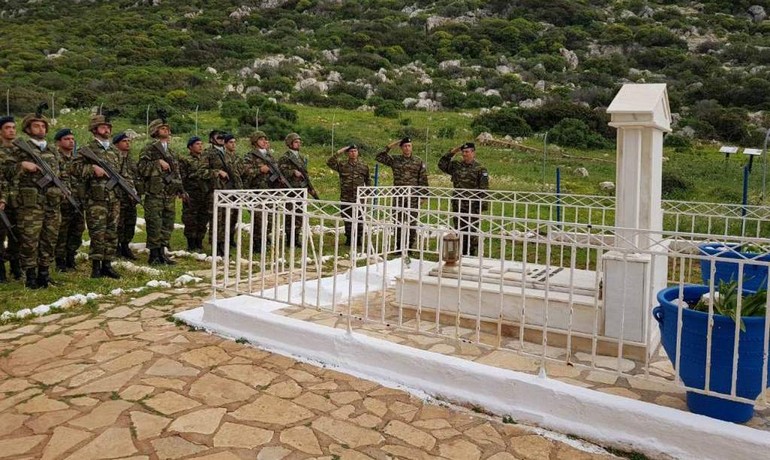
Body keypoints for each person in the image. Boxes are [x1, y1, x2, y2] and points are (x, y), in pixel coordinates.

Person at [4, 108, 62, 288]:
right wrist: (22, 165)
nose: (41, 129)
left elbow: (61, 173)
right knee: (29, 241)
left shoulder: (52, 149)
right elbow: (6, 172)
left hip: (52, 203)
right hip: (30, 204)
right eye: (36, 126)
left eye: (43, 126)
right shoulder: (18, 148)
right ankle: (30, 277)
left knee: (49, 239)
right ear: (28, 129)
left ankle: (44, 274)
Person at [73, 115, 127, 279]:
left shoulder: (115, 152)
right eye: (103, 127)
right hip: (96, 199)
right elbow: (74, 168)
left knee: (112, 232)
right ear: (94, 129)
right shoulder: (87, 149)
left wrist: (129, 189)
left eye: (108, 127)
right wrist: (92, 169)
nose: (107, 129)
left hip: (114, 198)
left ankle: (107, 264)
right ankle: (96, 266)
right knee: (97, 233)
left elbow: (123, 174)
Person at [137, 118, 184, 265]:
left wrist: (180, 188)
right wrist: (157, 163)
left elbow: (176, 172)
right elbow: (142, 168)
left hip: (169, 193)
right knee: (154, 223)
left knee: (167, 223)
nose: (166, 130)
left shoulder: (171, 151)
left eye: (167, 128)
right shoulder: (149, 149)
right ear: (155, 131)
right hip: (155, 193)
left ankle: (162, 252)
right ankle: (154, 254)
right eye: (162, 128)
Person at [375, 137, 428, 251]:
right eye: (404, 146)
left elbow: (423, 178)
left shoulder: (418, 161)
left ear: (412, 147)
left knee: (412, 221)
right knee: (398, 221)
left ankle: (410, 247)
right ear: (401, 148)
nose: (407, 148)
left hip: (413, 196)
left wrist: (424, 195)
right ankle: (399, 246)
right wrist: (391, 145)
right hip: (399, 196)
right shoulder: (395, 160)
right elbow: (379, 156)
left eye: (409, 146)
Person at [438, 142, 489, 256]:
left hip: (472, 206)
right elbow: (441, 164)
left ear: (473, 153)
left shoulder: (480, 168)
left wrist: (482, 206)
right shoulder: (456, 165)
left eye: (467, 152)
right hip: (458, 204)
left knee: (471, 231)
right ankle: (461, 253)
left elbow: (484, 189)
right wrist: (453, 152)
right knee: (459, 229)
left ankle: (471, 254)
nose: (464, 154)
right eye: (463, 152)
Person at [241, 130, 283, 252]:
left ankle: (265, 238)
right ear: (255, 142)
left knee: (271, 218)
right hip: (256, 192)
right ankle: (257, 243)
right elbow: (245, 171)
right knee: (259, 219)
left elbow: (276, 168)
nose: (264, 141)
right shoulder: (250, 156)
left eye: (265, 139)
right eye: (261, 139)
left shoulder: (269, 155)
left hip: (270, 191)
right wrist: (259, 170)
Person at [204, 132, 243, 254]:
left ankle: (223, 244)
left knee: (227, 219)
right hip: (216, 190)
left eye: (222, 137)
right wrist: (217, 172)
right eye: (218, 137)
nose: (221, 139)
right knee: (217, 219)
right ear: (212, 139)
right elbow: (201, 172)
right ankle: (216, 246)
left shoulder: (227, 154)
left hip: (229, 190)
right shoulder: (208, 153)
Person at [53, 128, 85, 272]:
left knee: (77, 230)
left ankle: (71, 257)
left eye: (72, 139)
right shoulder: (55, 159)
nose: (71, 142)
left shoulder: (77, 159)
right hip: (62, 203)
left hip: (78, 202)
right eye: (67, 139)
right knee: (62, 232)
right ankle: (60, 261)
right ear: (58, 142)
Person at [278, 132, 318, 247]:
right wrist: (292, 172)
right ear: (290, 143)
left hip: (301, 189)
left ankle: (296, 238)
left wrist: (310, 188)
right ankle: (289, 239)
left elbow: (305, 175)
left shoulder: (301, 157)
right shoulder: (285, 157)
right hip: (290, 189)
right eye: (296, 142)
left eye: (299, 142)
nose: (298, 144)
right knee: (290, 215)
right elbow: (280, 171)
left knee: (299, 215)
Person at [327, 144, 370, 247]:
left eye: (355, 151)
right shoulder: (342, 165)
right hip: (346, 197)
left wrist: (368, 193)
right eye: (351, 151)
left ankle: (358, 238)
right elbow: (329, 162)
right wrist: (339, 152)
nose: (353, 153)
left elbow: (368, 180)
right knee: (347, 218)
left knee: (360, 218)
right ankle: (349, 238)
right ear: (347, 153)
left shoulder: (363, 165)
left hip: (359, 197)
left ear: (358, 152)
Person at [179, 136, 212, 252]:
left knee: (203, 218)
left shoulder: (206, 159)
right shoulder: (185, 160)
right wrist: (182, 192)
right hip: (191, 193)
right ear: (190, 147)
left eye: (201, 144)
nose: (200, 146)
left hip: (204, 193)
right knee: (190, 219)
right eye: (197, 144)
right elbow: (181, 177)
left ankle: (199, 242)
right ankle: (191, 244)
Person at [113, 132, 140, 260]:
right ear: (116, 144)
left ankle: (125, 246)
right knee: (119, 223)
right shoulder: (114, 159)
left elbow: (136, 176)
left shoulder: (131, 160)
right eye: (124, 141)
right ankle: (116, 246)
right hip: (118, 196)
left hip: (131, 197)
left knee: (130, 222)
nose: (128, 143)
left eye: (129, 141)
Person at [0, 116, 18, 282]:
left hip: (19, 200)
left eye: (13, 127)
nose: (11, 130)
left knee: (17, 234)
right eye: (7, 127)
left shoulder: (21, 151)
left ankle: (16, 267)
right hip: (3, 200)